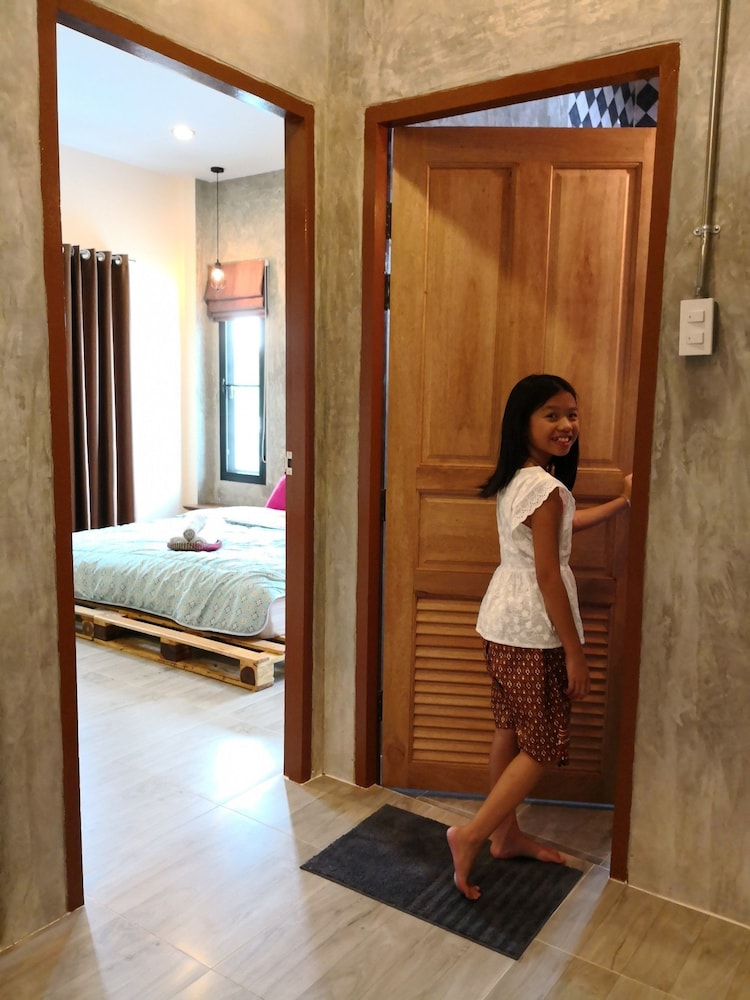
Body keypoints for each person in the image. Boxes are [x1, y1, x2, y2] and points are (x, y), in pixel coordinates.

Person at [447, 373, 632, 900]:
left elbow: (563, 527)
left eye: (571, 414)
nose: (566, 424)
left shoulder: (522, 480)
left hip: (502, 626)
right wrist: (575, 652)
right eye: (551, 414)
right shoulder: (544, 489)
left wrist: (622, 503)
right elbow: (549, 574)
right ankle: (473, 836)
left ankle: (505, 836)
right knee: (544, 745)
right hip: (533, 632)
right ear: (523, 422)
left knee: (508, 730)